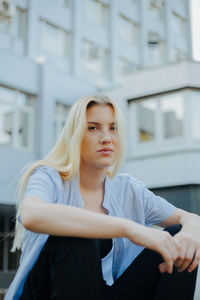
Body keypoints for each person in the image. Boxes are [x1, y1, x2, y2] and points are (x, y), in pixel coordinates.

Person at [5, 94, 200, 300]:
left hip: (100, 292)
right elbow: (31, 214)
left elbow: (190, 219)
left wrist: (191, 234)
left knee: (178, 236)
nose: (106, 137)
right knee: (76, 235)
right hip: (44, 292)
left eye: (113, 128)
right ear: (75, 134)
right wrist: (131, 229)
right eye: (93, 128)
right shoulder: (49, 176)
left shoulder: (128, 189)